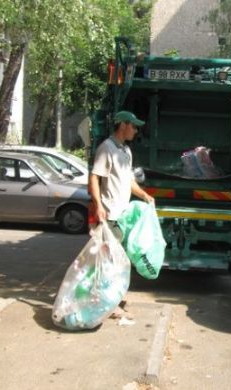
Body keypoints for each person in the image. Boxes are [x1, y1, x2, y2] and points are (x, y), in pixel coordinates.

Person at [89, 110, 154, 318]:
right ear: (123, 125)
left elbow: (129, 181)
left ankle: (113, 297)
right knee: (108, 261)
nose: (136, 130)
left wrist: (144, 195)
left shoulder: (125, 151)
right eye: (134, 126)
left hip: (121, 216)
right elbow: (94, 178)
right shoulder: (106, 149)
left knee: (118, 261)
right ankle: (106, 303)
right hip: (109, 216)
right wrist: (98, 205)